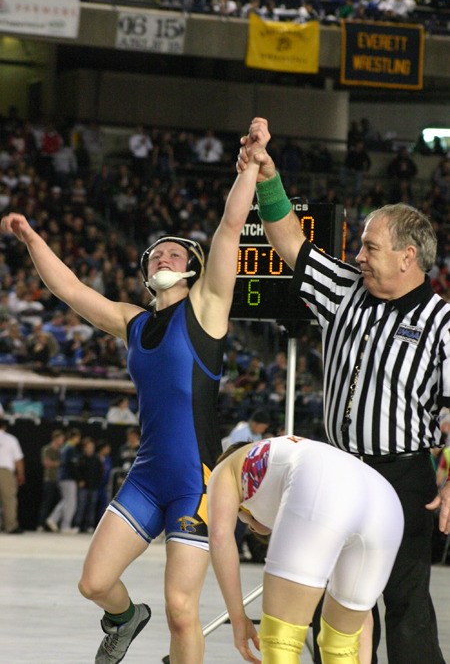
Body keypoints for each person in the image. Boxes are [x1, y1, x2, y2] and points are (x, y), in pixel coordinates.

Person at [0, 132, 266, 663]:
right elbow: (71, 291)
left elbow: (230, 227)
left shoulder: (208, 307)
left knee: (181, 608)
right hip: (146, 476)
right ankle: (125, 618)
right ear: (146, 272)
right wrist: (31, 240)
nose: (164, 254)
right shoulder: (132, 321)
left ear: (192, 267)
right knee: (94, 583)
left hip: (195, 480)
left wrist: (251, 167)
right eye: (156, 253)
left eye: (175, 250)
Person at [238, 118, 450, 663]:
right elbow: (289, 241)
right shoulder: (343, 288)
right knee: (337, 598)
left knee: (404, 602)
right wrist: (268, 174)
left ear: (409, 256)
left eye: (370, 247)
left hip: (403, 473)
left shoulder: (441, 320)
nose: (358, 255)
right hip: (337, 468)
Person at [207, 435, 404, 663]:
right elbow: (364, 622)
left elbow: (220, 537)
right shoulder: (286, 454)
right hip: (385, 501)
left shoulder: (226, 468)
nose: (247, 524)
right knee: (341, 644)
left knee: (280, 641)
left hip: (321, 485)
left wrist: (238, 618)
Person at [45, 427, 81, 534]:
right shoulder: (70, 448)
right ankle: (65, 526)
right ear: (76, 437)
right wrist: (78, 478)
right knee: (71, 503)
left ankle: (53, 519)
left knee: (66, 501)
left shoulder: (65, 447)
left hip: (62, 477)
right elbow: (71, 465)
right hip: (68, 478)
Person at [37, 428, 65, 531]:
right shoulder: (47, 449)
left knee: (61, 503)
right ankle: (40, 525)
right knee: (47, 503)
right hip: (49, 480)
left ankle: (56, 524)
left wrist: (55, 463)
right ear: (55, 439)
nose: (62, 441)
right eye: (61, 439)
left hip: (60, 480)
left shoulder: (62, 451)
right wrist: (59, 463)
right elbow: (46, 463)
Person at [0, 418, 25, 533]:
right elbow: (18, 459)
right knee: (9, 499)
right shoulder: (11, 439)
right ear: (4, 427)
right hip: (5, 472)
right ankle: (10, 526)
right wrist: (20, 474)